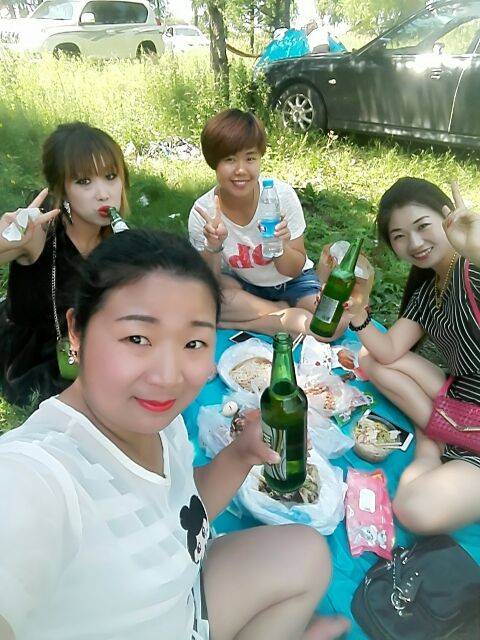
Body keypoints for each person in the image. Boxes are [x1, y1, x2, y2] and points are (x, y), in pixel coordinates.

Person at [0, 229, 350, 640]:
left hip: (185, 600)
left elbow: (180, 506)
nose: (168, 377)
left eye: (193, 342)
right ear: (76, 330)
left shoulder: (161, 422)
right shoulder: (38, 477)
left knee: (308, 553)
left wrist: (242, 454)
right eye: (137, 338)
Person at [347, 177, 480, 534]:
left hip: (469, 426)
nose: (416, 243)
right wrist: (358, 316)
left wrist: (478, 249)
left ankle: (430, 442)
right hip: (464, 398)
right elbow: (388, 349)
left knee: (412, 509)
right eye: (400, 236)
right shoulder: (427, 290)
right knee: (370, 359)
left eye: (423, 226)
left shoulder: (473, 269)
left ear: (448, 218)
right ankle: (434, 438)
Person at [189, 108, 365, 339]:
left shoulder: (280, 197)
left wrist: (281, 247)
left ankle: (258, 320)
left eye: (250, 158)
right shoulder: (203, 212)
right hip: (245, 286)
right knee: (204, 302)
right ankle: (283, 315)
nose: (241, 170)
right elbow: (209, 281)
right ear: (214, 162)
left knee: (333, 327)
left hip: (293, 283)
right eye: (229, 159)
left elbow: (293, 269)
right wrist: (214, 246)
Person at [0, 121, 130, 407]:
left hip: (89, 346)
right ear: (63, 189)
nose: (103, 193)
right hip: (37, 357)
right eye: (84, 182)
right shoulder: (40, 234)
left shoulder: (117, 238)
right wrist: (5, 239)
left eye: (110, 176)